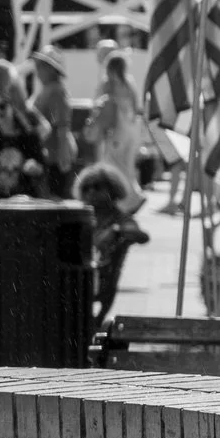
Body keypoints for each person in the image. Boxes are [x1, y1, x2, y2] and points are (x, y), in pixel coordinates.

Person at [75, 160, 149, 327]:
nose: (91, 192)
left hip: (99, 281)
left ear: (112, 189)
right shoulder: (79, 216)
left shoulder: (119, 218)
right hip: (75, 277)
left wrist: (116, 231)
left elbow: (142, 236)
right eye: (86, 188)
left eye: (97, 187)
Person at [0, 62, 46, 200]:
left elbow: (42, 165)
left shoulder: (28, 135)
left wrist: (35, 165)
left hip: (25, 197)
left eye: (2, 107)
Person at [91, 48, 147, 189]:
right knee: (127, 164)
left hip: (116, 130)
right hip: (131, 130)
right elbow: (136, 108)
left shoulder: (108, 84)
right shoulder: (129, 83)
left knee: (112, 164)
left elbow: (97, 106)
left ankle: (122, 197)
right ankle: (132, 194)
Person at [30, 52, 77, 197]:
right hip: (48, 153)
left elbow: (63, 124)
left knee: (54, 197)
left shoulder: (57, 91)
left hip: (56, 155)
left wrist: (63, 153)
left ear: (50, 69)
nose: (37, 70)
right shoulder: (46, 90)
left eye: (40, 66)